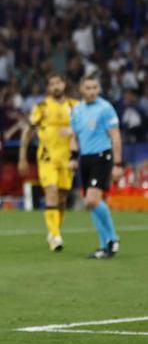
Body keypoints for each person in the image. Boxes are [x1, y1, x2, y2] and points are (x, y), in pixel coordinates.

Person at [18, 73, 79, 251]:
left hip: (67, 158)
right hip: (47, 158)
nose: (56, 86)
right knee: (51, 193)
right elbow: (28, 131)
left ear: (64, 84)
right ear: (48, 88)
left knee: (62, 198)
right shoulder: (41, 107)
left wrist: (74, 136)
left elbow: (84, 129)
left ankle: (54, 231)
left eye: (58, 83)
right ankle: (56, 236)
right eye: (52, 84)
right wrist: (22, 156)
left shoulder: (75, 106)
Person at [68, 75, 122, 259]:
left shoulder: (105, 108)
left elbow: (115, 136)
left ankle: (113, 238)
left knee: (91, 200)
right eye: (88, 88)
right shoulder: (77, 110)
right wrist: (73, 157)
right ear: (81, 89)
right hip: (85, 159)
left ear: (99, 89)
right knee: (91, 203)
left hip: (102, 156)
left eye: (94, 87)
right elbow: (74, 136)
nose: (92, 91)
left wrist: (117, 164)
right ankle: (103, 246)